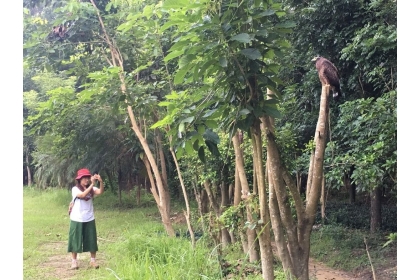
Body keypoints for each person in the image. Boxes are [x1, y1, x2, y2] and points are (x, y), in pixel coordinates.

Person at [67, 168, 104, 270]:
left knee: (91, 239)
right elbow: (82, 195)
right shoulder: (75, 189)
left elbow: (100, 192)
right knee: (75, 240)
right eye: (84, 178)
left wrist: (100, 182)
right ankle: (74, 262)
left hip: (89, 217)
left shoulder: (92, 188)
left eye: (88, 178)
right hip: (76, 218)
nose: (86, 180)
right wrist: (92, 184)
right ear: (79, 179)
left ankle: (93, 261)